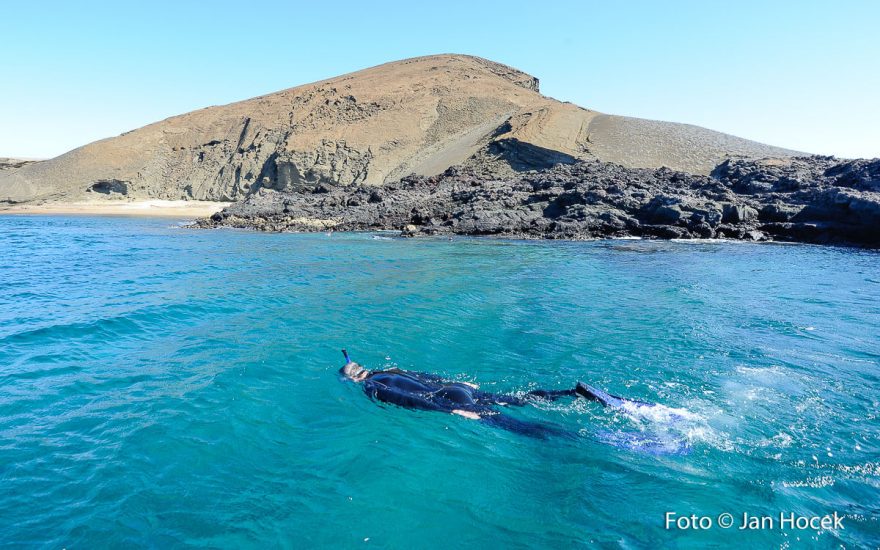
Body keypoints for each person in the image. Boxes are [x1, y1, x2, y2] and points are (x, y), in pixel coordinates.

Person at [339, 349, 636, 439]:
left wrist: (451, 410)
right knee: (520, 399)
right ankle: (572, 393)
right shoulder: (390, 367)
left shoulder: (371, 386)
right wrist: (464, 386)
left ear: (353, 379)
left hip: (449, 400)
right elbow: (424, 378)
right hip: (456, 389)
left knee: (514, 425)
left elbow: (409, 399)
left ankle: (572, 435)